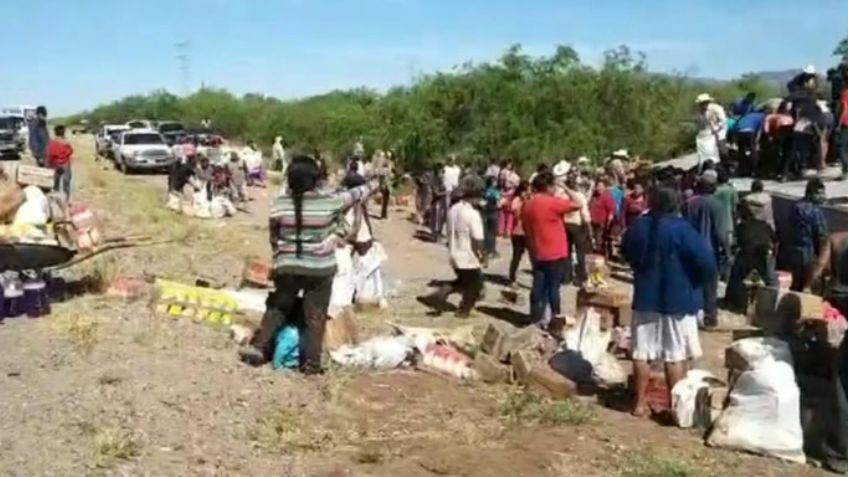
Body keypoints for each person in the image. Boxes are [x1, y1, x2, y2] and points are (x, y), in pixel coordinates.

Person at [240, 155, 376, 374]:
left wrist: (280, 257)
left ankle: (259, 347)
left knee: (278, 307)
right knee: (316, 314)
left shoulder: (279, 205)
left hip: (287, 265)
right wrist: (376, 182)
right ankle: (311, 363)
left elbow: (274, 237)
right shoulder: (330, 202)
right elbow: (358, 193)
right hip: (320, 268)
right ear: (316, 179)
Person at [622, 186, 715, 418]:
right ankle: (677, 409)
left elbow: (626, 250)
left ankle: (639, 403)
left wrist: (641, 268)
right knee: (674, 355)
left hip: (646, 298)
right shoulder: (683, 230)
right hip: (678, 300)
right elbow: (707, 262)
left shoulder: (640, 227)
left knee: (642, 352)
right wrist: (696, 281)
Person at [423, 176, 487, 318]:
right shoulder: (472, 214)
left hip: (454, 253)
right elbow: (478, 240)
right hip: (468, 256)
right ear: (475, 197)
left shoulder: (453, 209)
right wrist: (483, 256)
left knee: (464, 282)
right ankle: (463, 311)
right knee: (475, 286)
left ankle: (442, 292)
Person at [522, 171, 578, 331]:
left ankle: (536, 318)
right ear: (548, 187)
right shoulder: (553, 203)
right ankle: (555, 319)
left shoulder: (528, 204)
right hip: (555, 251)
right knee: (554, 288)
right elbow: (578, 203)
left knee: (538, 286)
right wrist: (566, 187)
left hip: (537, 250)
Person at [684, 173, 726, 328]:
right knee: (710, 287)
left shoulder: (689, 203)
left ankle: (691, 315)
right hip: (710, 251)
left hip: (690, 250)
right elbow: (720, 232)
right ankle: (710, 317)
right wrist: (727, 251)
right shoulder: (717, 205)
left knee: (692, 283)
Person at [726, 204, 778, 311]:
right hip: (763, 256)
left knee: (737, 277)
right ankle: (767, 303)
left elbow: (736, 244)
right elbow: (776, 241)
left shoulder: (741, 227)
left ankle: (734, 300)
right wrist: (774, 254)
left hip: (747, 255)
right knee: (767, 280)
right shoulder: (765, 225)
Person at [786, 178, 829, 291]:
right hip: (808, 252)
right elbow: (822, 236)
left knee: (796, 283)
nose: (823, 196)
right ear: (811, 194)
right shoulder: (815, 211)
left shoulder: (795, 206)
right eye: (819, 193)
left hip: (793, 251)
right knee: (808, 285)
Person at [561, 173, 592, 286]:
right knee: (580, 252)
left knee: (567, 252)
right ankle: (581, 276)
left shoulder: (562, 196)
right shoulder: (579, 196)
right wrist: (589, 231)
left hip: (565, 225)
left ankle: (566, 276)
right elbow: (585, 214)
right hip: (577, 226)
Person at [695, 94, 728, 169]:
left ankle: (725, 167)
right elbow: (700, 123)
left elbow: (723, 121)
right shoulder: (700, 111)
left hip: (719, 132)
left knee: (722, 151)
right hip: (708, 134)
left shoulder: (716, 108)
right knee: (710, 153)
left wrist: (716, 130)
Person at [507, 180, 529, 286]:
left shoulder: (531, 200)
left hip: (529, 232)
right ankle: (512, 277)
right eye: (524, 191)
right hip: (518, 232)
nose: (526, 193)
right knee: (517, 256)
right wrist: (523, 203)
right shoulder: (516, 201)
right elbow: (517, 215)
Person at [589, 177, 616, 259]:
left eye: (601, 186)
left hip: (602, 223)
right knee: (597, 241)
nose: (599, 188)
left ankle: (601, 258)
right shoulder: (594, 196)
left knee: (600, 241)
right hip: (593, 222)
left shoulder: (607, 196)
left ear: (604, 187)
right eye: (598, 186)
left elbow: (611, 210)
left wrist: (608, 223)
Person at [735, 108, 766, 176]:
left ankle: (742, 170)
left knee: (741, 151)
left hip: (739, 131)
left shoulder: (748, 114)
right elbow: (759, 131)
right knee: (753, 151)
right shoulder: (762, 116)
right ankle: (755, 170)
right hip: (749, 132)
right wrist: (757, 141)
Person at [46, 125, 73, 200]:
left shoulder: (52, 142)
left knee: (55, 184)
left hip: (55, 164)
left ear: (55, 132)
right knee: (66, 184)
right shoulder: (66, 142)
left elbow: (49, 155)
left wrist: (48, 166)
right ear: (63, 132)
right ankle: (66, 201)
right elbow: (70, 151)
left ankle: (55, 200)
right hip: (65, 164)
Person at [498, 162, 521, 236]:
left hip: (503, 193)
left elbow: (500, 183)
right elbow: (517, 186)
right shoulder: (516, 177)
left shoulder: (503, 173)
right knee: (510, 213)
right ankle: (508, 230)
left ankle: (501, 230)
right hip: (511, 194)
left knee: (502, 213)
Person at [482, 176, 501, 259]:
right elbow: (499, 203)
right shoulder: (495, 192)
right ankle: (492, 251)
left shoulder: (484, 191)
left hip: (485, 213)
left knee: (486, 232)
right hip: (493, 212)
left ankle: (486, 250)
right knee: (493, 233)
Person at [428, 163, 447, 241]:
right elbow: (436, 193)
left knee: (439, 219)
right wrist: (447, 192)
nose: (443, 173)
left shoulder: (440, 180)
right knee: (436, 220)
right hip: (436, 202)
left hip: (440, 202)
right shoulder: (435, 180)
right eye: (441, 171)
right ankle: (434, 236)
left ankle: (436, 235)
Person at [838, 67, 848, 180]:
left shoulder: (845, 93)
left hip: (846, 122)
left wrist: (839, 124)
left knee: (842, 147)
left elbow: (844, 108)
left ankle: (846, 170)